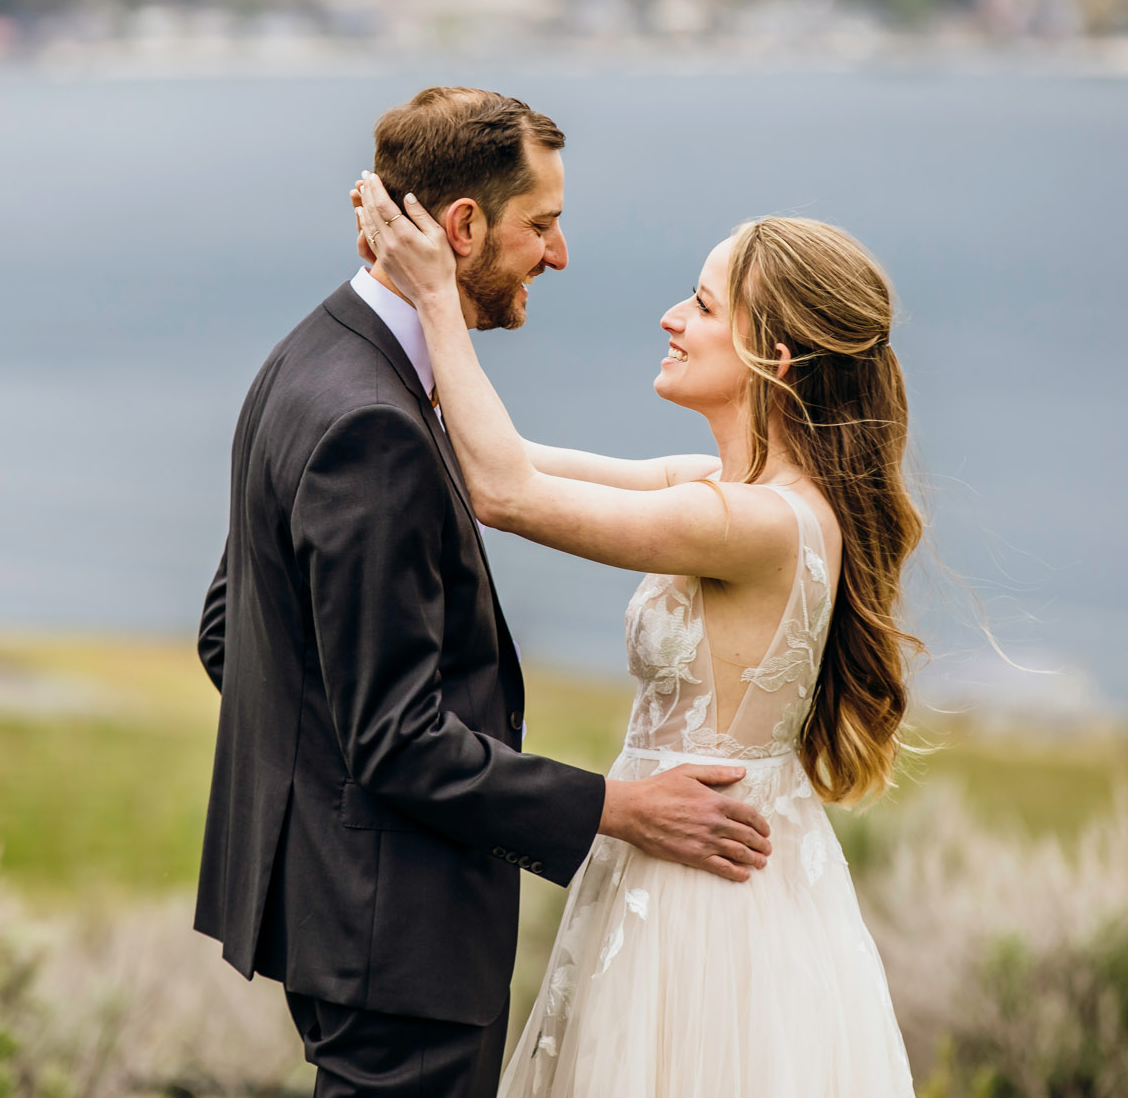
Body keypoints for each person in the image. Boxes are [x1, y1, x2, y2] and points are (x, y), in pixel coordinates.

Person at [195, 87, 775, 1098]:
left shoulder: (311, 361)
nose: (557, 255)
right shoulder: (368, 424)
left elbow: (230, 632)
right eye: (540, 224)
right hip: (398, 934)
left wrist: (328, 819)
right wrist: (620, 808)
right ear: (461, 227)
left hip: (349, 919)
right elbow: (396, 738)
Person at [356, 175, 922, 1097]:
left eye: (700, 305)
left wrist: (432, 297)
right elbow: (506, 455)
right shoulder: (722, 489)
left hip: (702, 902)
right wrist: (415, 308)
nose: (671, 318)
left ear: (771, 355)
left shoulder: (757, 524)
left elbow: (505, 494)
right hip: (668, 860)